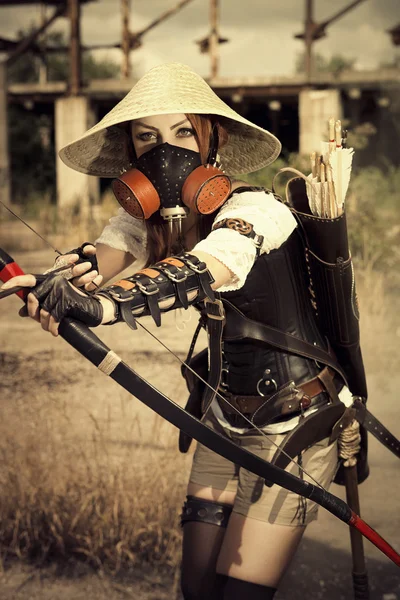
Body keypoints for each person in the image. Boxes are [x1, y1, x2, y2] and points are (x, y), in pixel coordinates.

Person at [2, 63, 351, 599]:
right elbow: (100, 262)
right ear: (132, 153)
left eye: (183, 132)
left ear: (214, 139)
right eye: (148, 138)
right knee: (196, 590)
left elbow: (215, 263)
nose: (166, 152)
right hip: (222, 423)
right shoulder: (147, 225)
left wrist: (100, 311)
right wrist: (51, 289)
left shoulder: (257, 209)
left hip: (297, 423)